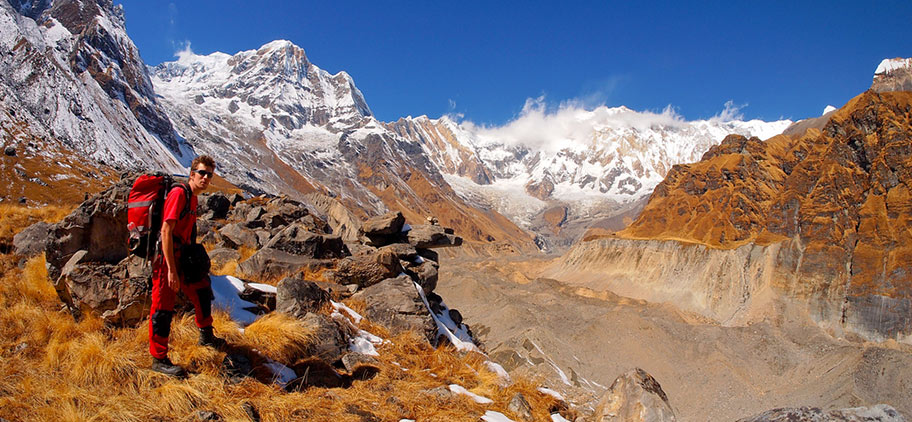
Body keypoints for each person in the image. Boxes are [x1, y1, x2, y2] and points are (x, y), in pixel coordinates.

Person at [149, 155, 225, 377]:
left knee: (202, 290)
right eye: (202, 173)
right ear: (192, 174)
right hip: (166, 260)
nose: (205, 178)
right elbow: (166, 230)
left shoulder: (193, 198)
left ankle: (206, 336)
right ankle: (159, 359)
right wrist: (171, 269)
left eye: (209, 175)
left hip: (183, 257)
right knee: (163, 308)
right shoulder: (178, 194)